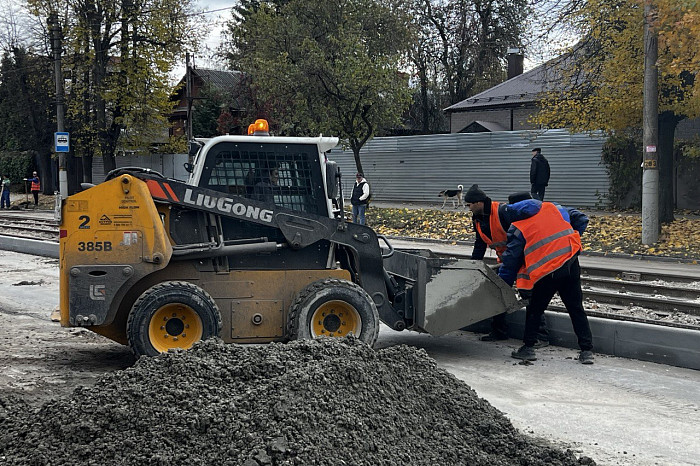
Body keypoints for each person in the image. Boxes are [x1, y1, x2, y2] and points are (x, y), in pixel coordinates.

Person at [497, 196, 594, 364]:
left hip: (548, 271)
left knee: (535, 309)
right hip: (571, 261)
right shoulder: (552, 208)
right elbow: (580, 218)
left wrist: (501, 285)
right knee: (576, 307)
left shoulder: (518, 228)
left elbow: (511, 263)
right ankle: (587, 351)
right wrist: (572, 238)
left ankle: (528, 348)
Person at [464, 185, 548, 346]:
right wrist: (472, 265)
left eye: (469, 205)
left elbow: (522, 234)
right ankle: (499, 331)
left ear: (478, 202)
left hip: (523, 260)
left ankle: (541, 336)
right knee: (498, 293)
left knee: (528, 294)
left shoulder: (502, 212)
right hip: (507, 261)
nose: (468, 208)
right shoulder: (478, 219)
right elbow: (480, 244)